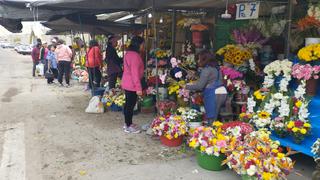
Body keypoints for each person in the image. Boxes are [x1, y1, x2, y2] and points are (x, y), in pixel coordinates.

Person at [186, 50, 227, 125]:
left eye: (199, 59)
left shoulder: (206, 70)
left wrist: (186, 86)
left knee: (211, 119)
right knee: (216, 117)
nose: (198, 61)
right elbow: (217, 80)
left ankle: (211, 134)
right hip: (222, 92)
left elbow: (200, 86)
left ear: (204, 59)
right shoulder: (217, 68)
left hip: (213, 93)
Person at [121, 36, 145, 133]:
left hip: (127, 82)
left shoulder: (128, 53)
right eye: (143, 44)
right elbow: (135, 73)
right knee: (130, 105)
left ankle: (127, 123)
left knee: (128, 104)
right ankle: (128, 126)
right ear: (138, 44)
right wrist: (138, 87)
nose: (143, 46)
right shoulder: (135, 56)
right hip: (132, 84)